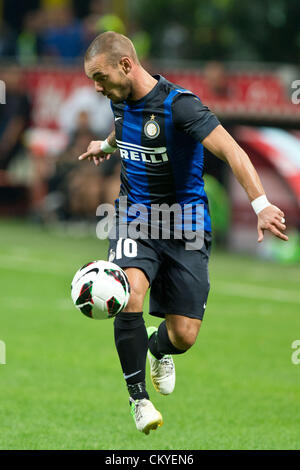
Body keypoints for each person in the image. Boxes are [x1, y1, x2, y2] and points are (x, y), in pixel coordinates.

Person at [78, 31, 288, 435]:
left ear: (126, 65)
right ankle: (138, 399)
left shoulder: (181, 106)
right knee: (130, 293)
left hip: (186, 225)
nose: (96, 87)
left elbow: (232, 150)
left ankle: (158, 347)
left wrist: (261, 205)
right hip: (133, 218)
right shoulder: (117, 100)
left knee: (184, 335)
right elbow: (123, 133)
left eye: (99, 77)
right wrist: (104, 147)